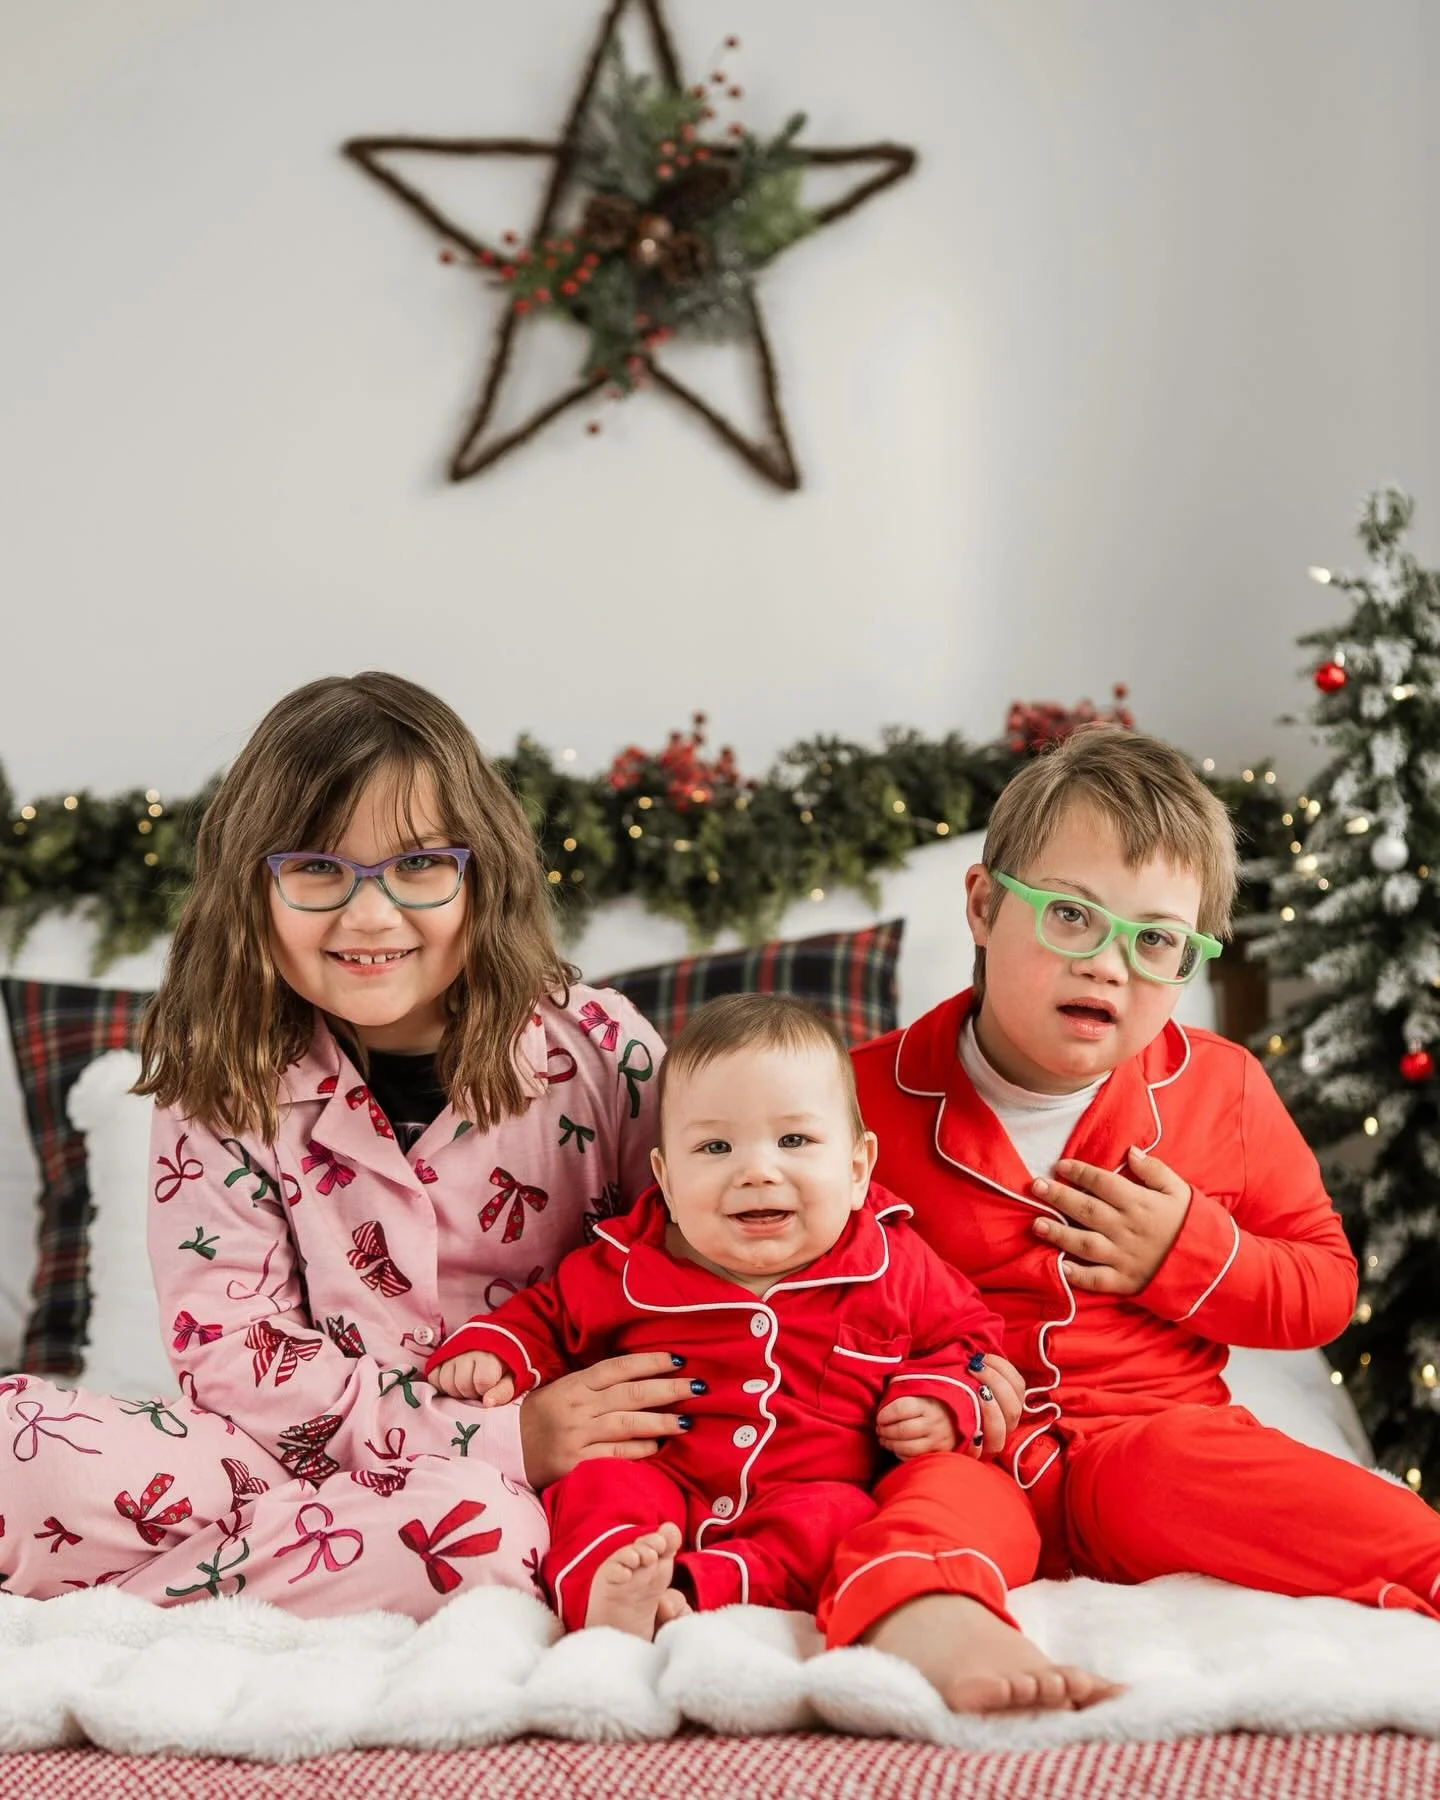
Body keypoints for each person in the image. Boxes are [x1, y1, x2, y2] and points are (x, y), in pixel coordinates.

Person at [0, 672, 694, 1617]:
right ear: (256, 886)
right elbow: (237, 1355)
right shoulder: (225, 1073)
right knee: (18, 1434)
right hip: (273, 1464)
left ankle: (145, 1601)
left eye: (417, 866)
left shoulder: (603, 1053)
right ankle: (307, 1566)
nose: (370, 916)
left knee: (470, 1534)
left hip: (538, 1485)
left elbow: (707, 1258)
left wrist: (522, 1447)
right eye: (319, 869)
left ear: (479, 872)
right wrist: (485, 1438)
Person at [815, 723, 1440, 1714]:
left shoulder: (1222, 1088)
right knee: (931, 1508)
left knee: (1298, 1497)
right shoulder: (852, 1100)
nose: (1110, 964)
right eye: (1071, 915)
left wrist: (1189, 1255)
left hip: (1153, 1442)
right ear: (983, 906)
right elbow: (769, 1275)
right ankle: (928, 1615)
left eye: (1155, 940)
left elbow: (1320, 1293)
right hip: (960, 1439)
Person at [426, 994, 1010, 1640]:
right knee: (597, 1486)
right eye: (714, 1147)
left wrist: (940, 1396)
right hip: (662, 1473)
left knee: (843, 1517)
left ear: (855, 1169)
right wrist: (499, 1347)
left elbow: (969, 1337)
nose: (757, 1171)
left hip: (806, 1488)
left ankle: (703, 1584)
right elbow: (548, 1315)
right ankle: (608, 1584)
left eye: (794, 1139)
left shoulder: (891, 1262)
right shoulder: (627, 1261)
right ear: (667, 1181)